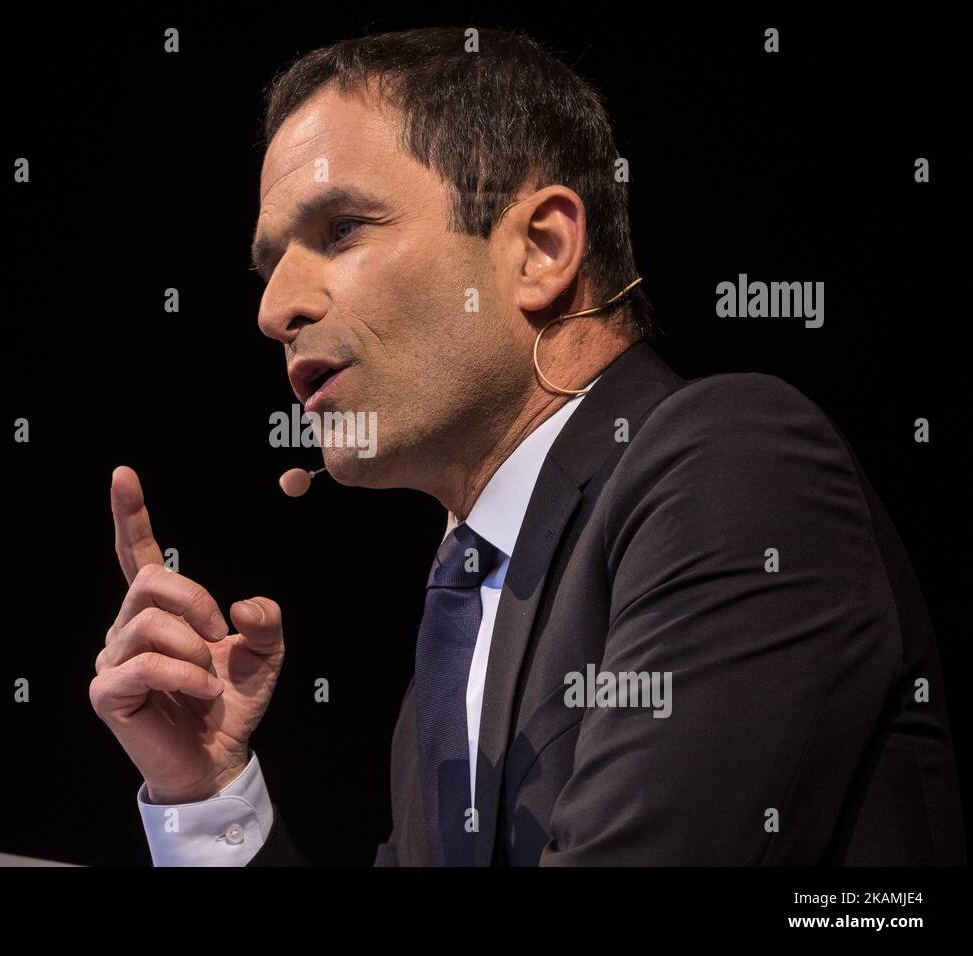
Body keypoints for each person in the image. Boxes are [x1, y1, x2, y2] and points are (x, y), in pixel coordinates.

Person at [89, 27, 964, 865]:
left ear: (541, 249)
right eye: (269, 262)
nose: (273, 309)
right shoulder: (462, 620)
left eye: (341, 229)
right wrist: (207, 793)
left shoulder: (733, 468)